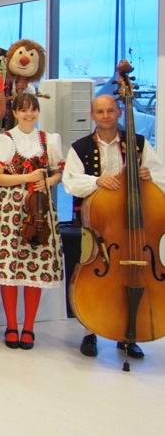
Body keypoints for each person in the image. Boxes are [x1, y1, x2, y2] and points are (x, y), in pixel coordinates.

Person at [62, 94, 165, 359]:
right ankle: (89, 331)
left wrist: (149, 175)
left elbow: (161, 177)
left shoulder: (139, 144)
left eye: (110, 110)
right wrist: (97, 182)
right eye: (100, 111)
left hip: (135, 228)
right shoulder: (80, 147)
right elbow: (71, 182)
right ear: (93, 114)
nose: (106, 115)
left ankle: (129, 333)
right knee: (88, 275)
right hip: (97, 225)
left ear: (119, 112)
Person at [0, 92, 64, 350]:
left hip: (39, 206)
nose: (28, 114)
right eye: (23, 110)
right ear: (15, 112)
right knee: (10, 266)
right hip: (10, 207)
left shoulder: (49, 140)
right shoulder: (4, 140)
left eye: (33, 110)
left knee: (34, 267)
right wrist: (28, 178)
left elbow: (58, 172)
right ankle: (11, 324)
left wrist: (48, 181)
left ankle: (29, 326)